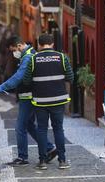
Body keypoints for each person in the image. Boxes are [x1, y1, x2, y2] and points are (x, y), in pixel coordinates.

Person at [0, 36, 56, 166]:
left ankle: (23, 157)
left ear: (18, 46)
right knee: (29, 125)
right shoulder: (30, 54)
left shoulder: (28, 57)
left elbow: (19, 76)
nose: (13, 53)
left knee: (20, 127)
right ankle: (49, 148)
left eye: (13, 50)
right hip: (30, 96)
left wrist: (3, 86)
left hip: (28, 97)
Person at [23, 33, 74, 170]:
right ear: (52, 44)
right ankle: (62, 161)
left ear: (39, 45)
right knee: (58, 129)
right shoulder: (62, 58)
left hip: (40, 101)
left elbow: (26, 81)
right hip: (58, 100)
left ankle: (42, 161)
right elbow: (71, 77)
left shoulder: (33, 59)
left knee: (41, 130)